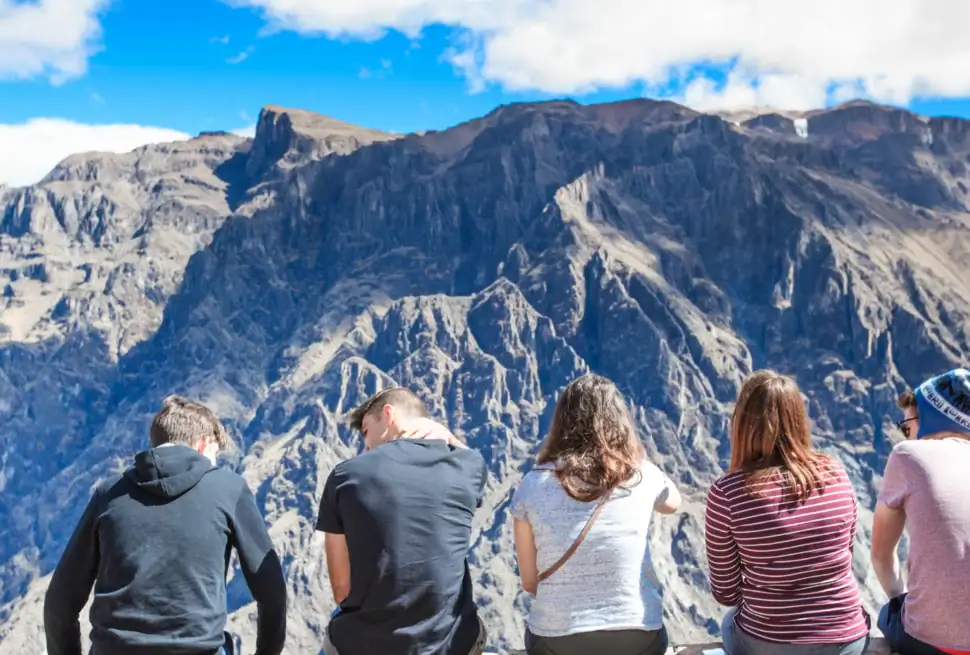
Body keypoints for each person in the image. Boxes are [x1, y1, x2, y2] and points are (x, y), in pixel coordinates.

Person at [43, 395, 287, 655]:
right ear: (203, 445)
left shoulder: (109, 494)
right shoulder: (229, 488)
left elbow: (60, 603)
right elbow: (272, 593)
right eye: (215, 455)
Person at [509, 373, 681, 655]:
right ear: (621, 422)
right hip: (639, 637)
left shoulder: (532, 484)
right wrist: (637, 457)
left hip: (556, 639)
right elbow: (673, 503)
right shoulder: (643, 475)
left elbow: (529, 582)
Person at [705, 370, 870, 655]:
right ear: (798, 420)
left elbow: (726, 592)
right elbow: (844, 556)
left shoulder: (728, 492)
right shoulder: (837, 473)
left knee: (730, 621)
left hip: (773, 643)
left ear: (742, 425)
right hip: (847, 639)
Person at [317, 387, 489, 655]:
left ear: (388, 414)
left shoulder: (346, 476)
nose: (366, 445)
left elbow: (342, 591)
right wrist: (445, 435)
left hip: (365, 646)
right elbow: (473, 459)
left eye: (365, 431)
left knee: (334, 632)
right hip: (452, 644)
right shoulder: (468, 465)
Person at [871, 368, 970, 655]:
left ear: (930, 417)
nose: (906, 435)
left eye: (906, 426)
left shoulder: (908, 454)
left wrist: (898, 599)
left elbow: (880, 555)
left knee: (887, 615)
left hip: (930, 643)